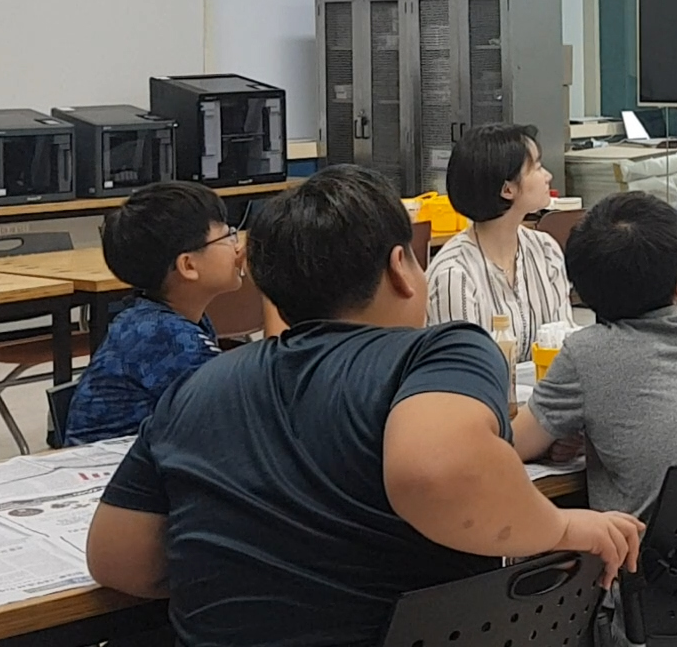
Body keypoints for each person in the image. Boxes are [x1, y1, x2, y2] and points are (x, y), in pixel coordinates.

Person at [84, 165, 643, 647]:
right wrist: (562, 527)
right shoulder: (439, 352)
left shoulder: (198, 387)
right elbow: (436, 472)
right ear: (400, 267)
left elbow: (117, 559)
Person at [516, 192, 677, 519]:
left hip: (642, 548)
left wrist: (554, 436)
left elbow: (513, 445)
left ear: (582, 293)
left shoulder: (587, 354)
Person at [64, 181, 243, 445]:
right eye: (228, 236)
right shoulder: (162, 335)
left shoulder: (167, 317)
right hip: (108, 464)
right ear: (188, 265)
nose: (239, 247)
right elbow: (240, 415)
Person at [425, 122, 572, 360]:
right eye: (537, 167)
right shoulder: (454, 274)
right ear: (507, 190)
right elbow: (463, 368)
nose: (548, 176)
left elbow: (564, 347)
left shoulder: (545, 250)